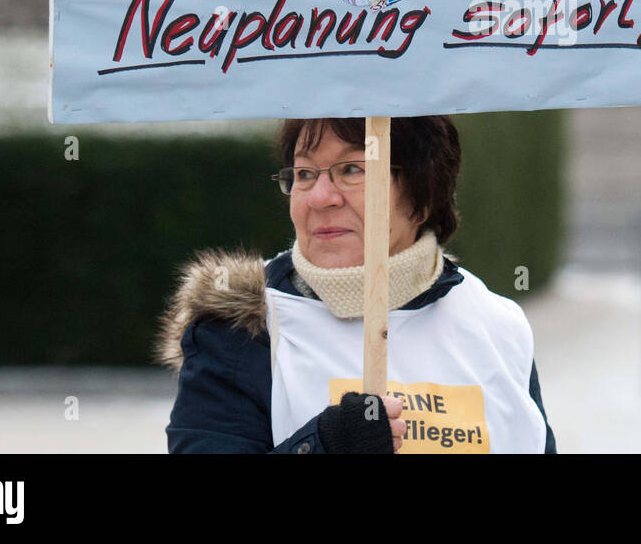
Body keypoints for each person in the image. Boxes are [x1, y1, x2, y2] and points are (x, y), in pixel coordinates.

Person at [156, 114, 557, 454]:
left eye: (352, 169)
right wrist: (325, 445)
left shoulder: (497, 325)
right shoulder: (243, 330)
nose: (320, 197)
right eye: (304, 173)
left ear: (424, 193)